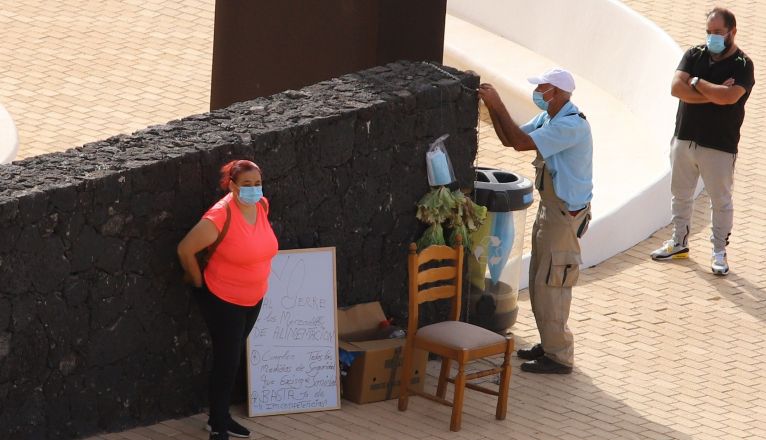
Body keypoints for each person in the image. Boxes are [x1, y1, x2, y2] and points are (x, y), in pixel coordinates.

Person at [479, 68, 593, 374]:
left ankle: (559, 355)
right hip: (551, 209)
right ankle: (549, 342)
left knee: (552, 282)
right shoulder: (550, 119)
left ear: (556, 93)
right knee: (539, 280)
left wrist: (497, 102)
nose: (538, 93)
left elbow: (518, 142)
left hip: (563, 215)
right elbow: (510, 140)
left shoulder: (570, 126)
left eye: (542, 88)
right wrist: (491, 106)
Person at [178, 159, 278, 440]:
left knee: (231, 359)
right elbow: (185, 249)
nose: (254, 189)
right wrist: (199, 286)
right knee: (227, 361)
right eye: (246, 185)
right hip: (224, 300)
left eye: (257, 184)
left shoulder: (262, 206)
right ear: (232, 186)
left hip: (253, 298)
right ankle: (218, 426)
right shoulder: (220, 216)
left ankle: (219, 417)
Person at [650, 7, 754, 275]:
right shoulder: (694, 54)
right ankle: (678, 242)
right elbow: (676, 88)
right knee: (680, 195)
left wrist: (695, 83)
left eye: (718, 33)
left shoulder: (743, 65)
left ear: (732, 31)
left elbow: (730, 98)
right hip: (684, 138)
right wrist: (714, 92)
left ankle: (719, 251)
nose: (712, 38)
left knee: (721, 201)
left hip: (719, 145)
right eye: (709, 32)